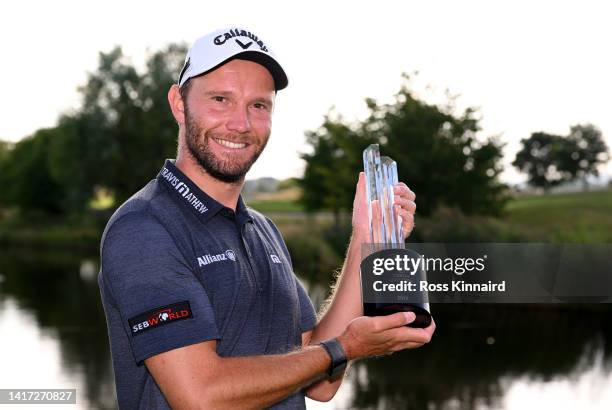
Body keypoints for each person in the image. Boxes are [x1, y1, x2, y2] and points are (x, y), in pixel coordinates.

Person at [98, 27, 435, 409]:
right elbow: (200, 396)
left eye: (258, 105)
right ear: (179, 103)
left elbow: (318, 378)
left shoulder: (262, 230)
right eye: (220, 99)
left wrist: (365, 239)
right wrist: (343, 348)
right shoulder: (145, 228)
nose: (240, 124)